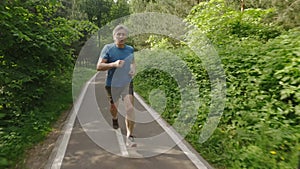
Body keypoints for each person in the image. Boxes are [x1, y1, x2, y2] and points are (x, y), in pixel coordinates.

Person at [96, 25, 136, 147]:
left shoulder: (130, 49)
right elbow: (99, 67)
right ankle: (114, 119)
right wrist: (113, 64)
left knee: (130, 109)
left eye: (123, 34)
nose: (121, 37)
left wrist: (133, 70)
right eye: (118, 34)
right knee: (114, 108)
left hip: (126, 83)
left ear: (126, 37)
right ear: (114, 37)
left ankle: (130, 136)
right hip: (112, 84)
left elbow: (133, 63)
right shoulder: (108, 48)